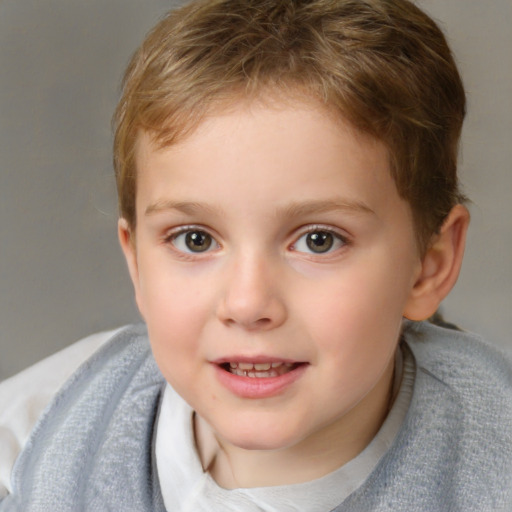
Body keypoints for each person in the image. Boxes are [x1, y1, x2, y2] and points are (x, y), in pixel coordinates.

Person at [1, 0, 511, 510]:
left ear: (429, 265)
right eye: (195, 239)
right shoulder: (46, 427)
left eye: (319, 240)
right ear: (137, 264)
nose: (247, 304)